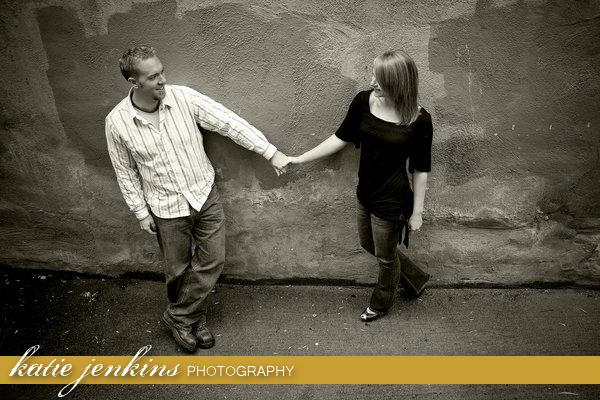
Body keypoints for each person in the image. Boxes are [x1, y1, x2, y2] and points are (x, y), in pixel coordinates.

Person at [105, 46, 288, 351]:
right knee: (177, 270)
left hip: (204, 195)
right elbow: (124, 171)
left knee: (212, 260)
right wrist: (140, 212)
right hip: (165, 206)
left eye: (162, 71)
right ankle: (193, 319)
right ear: (134, 83)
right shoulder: (118, 123)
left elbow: (228, 122)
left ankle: (179, 316)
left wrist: (270, 151)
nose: (163, 79)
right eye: (153, 77)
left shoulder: (184, 98)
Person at [285, 50, 433, 322]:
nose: (373, 83)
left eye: (380, 79)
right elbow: (340, 137)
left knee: (385, 259)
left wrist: (417, 213)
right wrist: (300, 159)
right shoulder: (363, 102)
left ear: (398, 83)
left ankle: (380, 303)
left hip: (392, 201)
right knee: (371, 245)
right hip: (365, 193)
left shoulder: (419, 120)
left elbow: (420, 169)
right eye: (373, 76)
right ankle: (415, 277)